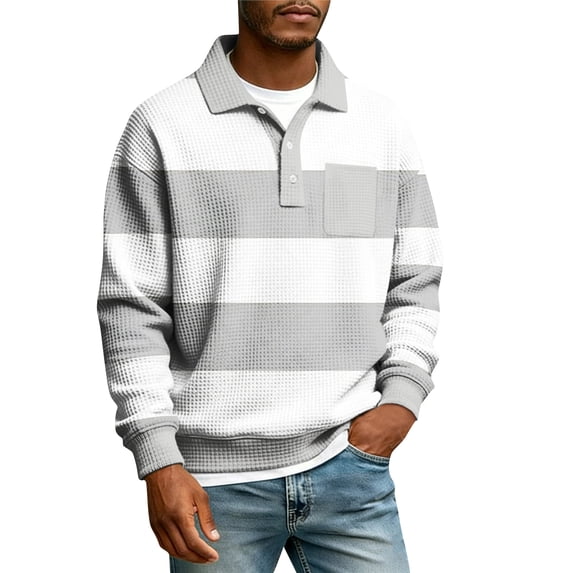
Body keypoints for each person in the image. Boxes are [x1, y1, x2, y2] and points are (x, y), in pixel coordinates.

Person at [97, 1, 442, 571]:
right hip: (209, 482)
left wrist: (401, 401)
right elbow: (132, 308)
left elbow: (414, 281)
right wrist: (157, 457)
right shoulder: (162, 122)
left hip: (351, 467)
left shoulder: (381, 122)